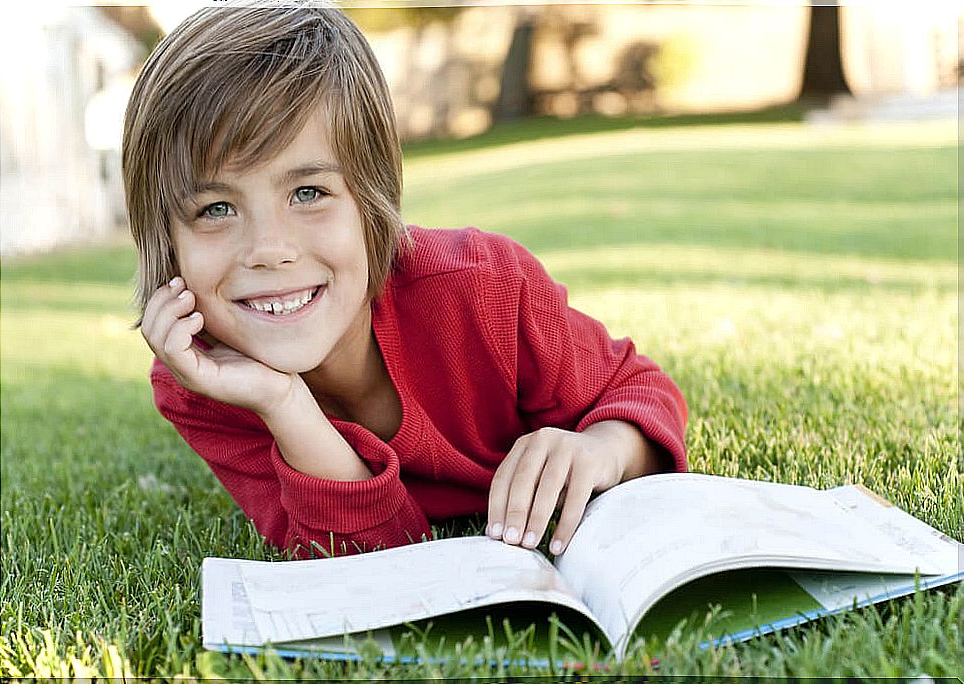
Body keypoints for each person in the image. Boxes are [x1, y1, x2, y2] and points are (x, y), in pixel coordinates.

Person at [122, 2, 688, 560]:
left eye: (309, 193)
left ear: (370, 204)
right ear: (167, 239)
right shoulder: (202, 380)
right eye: (217, 209)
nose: (270, 250)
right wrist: (283, 401)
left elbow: (639, 390)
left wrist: (603, 448)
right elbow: (365, 556)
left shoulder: (484, 289)